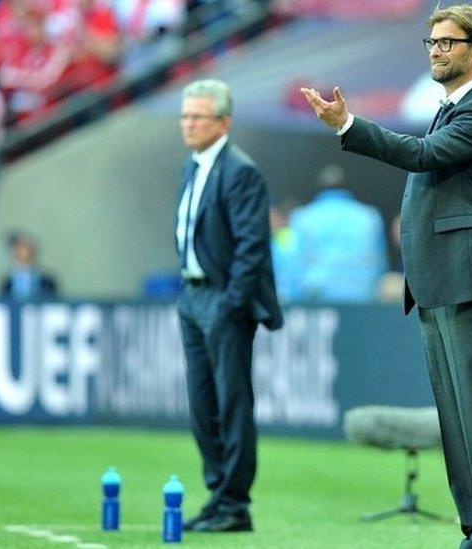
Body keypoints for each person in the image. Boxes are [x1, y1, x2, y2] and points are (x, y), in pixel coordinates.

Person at [301, 5, 472, 547]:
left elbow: (424, 157)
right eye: (432, 42)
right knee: (455, 417)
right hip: (440, 280)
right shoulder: (451, 109)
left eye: (448, 42)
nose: (437, 50)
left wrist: (348, 126)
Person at [174, 79, 282, 534]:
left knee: (231, 403)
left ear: (224, 122)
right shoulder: (194, 166)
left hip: (222, 300)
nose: (190, 124)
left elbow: (251, 247)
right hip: (193, 297)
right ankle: (218, 494)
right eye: (186, 116)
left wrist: (230, 304)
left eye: (199, 116)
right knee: (203, 405)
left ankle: (235, 503)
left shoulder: (240, 171)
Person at [290, 164, 387, 302]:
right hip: (361, 297)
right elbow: (379, 262)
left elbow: (295, 264)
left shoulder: (303, 217)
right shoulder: (369, 217)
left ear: (320, 187)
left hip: (317, 298)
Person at [0, 231, 58, 300]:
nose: (20, 251)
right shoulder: (7, 284)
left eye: (24, 246)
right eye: (17, 247)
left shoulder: (47, 283)